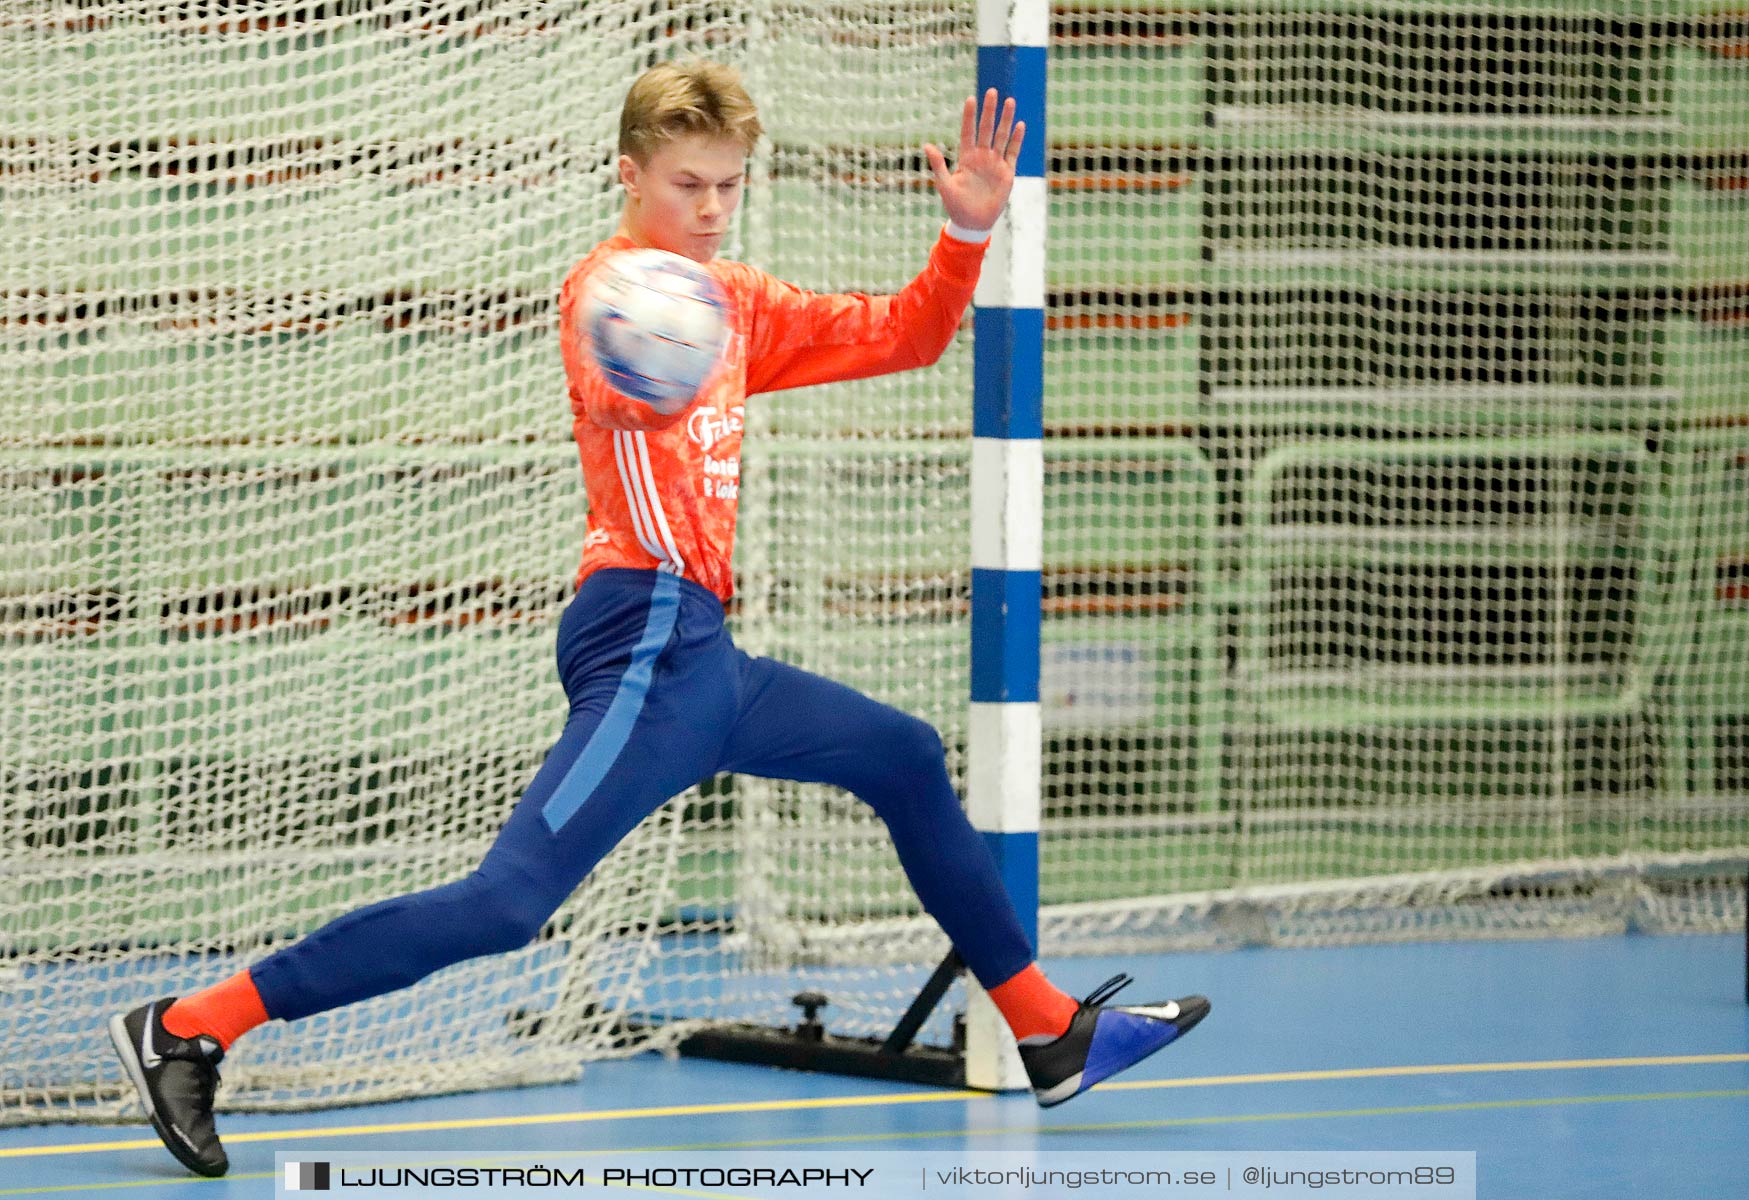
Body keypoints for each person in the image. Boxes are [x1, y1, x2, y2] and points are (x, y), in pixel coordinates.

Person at [107, 60, 1209, 1179]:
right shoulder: (613, 294)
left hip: (708, 664)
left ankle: (1043, 1026)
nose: (713, 208)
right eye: (689, 183)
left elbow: (905, 337)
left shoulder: (737, 302)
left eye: (729, 185)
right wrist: (655, 356)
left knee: (904, 754)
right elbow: (626, 383)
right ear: (631, 175)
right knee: (507, 904)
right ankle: (193, 1024)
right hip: (638, 636)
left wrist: (964, 235)